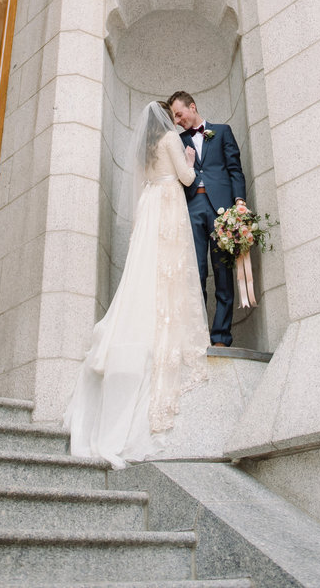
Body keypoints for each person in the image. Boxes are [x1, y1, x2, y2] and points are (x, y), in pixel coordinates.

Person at [65, 101, 209, 468]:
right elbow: (187, 179)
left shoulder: (146, 148)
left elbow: (149, 179)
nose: (175, 121)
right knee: (170, 268)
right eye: (172, 116)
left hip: (149, 206)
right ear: (165, 118)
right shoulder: (171, 141)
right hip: (169, 204)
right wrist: (191, 162)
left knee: (145, 270)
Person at [167, 91, 246, 348]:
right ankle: (198, 336)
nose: (178, 120)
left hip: (221, 210)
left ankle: (221, 337)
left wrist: (239, 203)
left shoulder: (222, 131)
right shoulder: (177, 141)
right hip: (191, 209)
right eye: (174, 117)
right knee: (195, 274)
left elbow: (234, 169)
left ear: (192, 106)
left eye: (179, 114)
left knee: (223, 273)